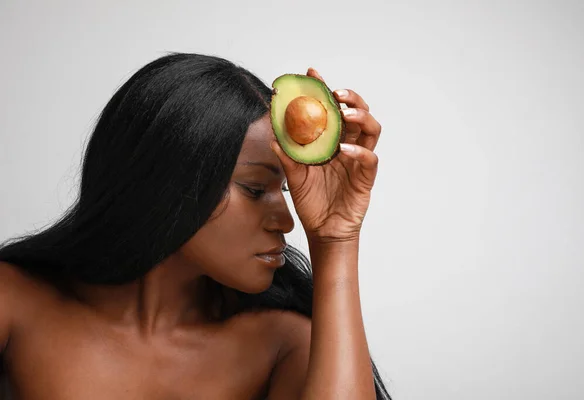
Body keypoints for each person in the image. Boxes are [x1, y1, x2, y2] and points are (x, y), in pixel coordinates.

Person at [0, 53, 392, 399]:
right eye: (256, 189)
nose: (288, 221)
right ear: (167, 183)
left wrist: (336, 239)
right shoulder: (14, 303)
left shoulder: (284, 346)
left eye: (285, 189)